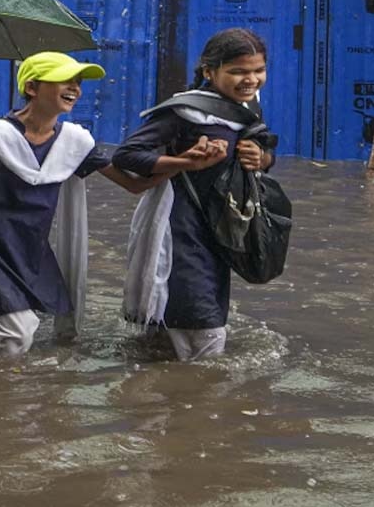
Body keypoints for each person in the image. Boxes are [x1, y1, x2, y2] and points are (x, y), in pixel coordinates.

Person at [0, 52, 152, 361]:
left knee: (18, 333)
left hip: (29, 248)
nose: (75, 89)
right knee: (16, 332)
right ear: (32, 88)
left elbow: (133, 184)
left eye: (78, 83)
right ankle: (2, 401)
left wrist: (184, 162)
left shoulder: (74, 143)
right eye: (65, 81)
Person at [112, 27, 274, 362]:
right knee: (204, 329)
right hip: (180, 227)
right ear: (209, 72)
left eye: (258, 70)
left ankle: (164, 394)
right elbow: (127, 155)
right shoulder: (184, 112)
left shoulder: (246, 110)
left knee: (189, 317)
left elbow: (265, 148)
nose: (251, 79)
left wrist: (263, 158)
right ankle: (200, 403)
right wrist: (184, 161)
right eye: (238, 72)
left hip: (221, 229)